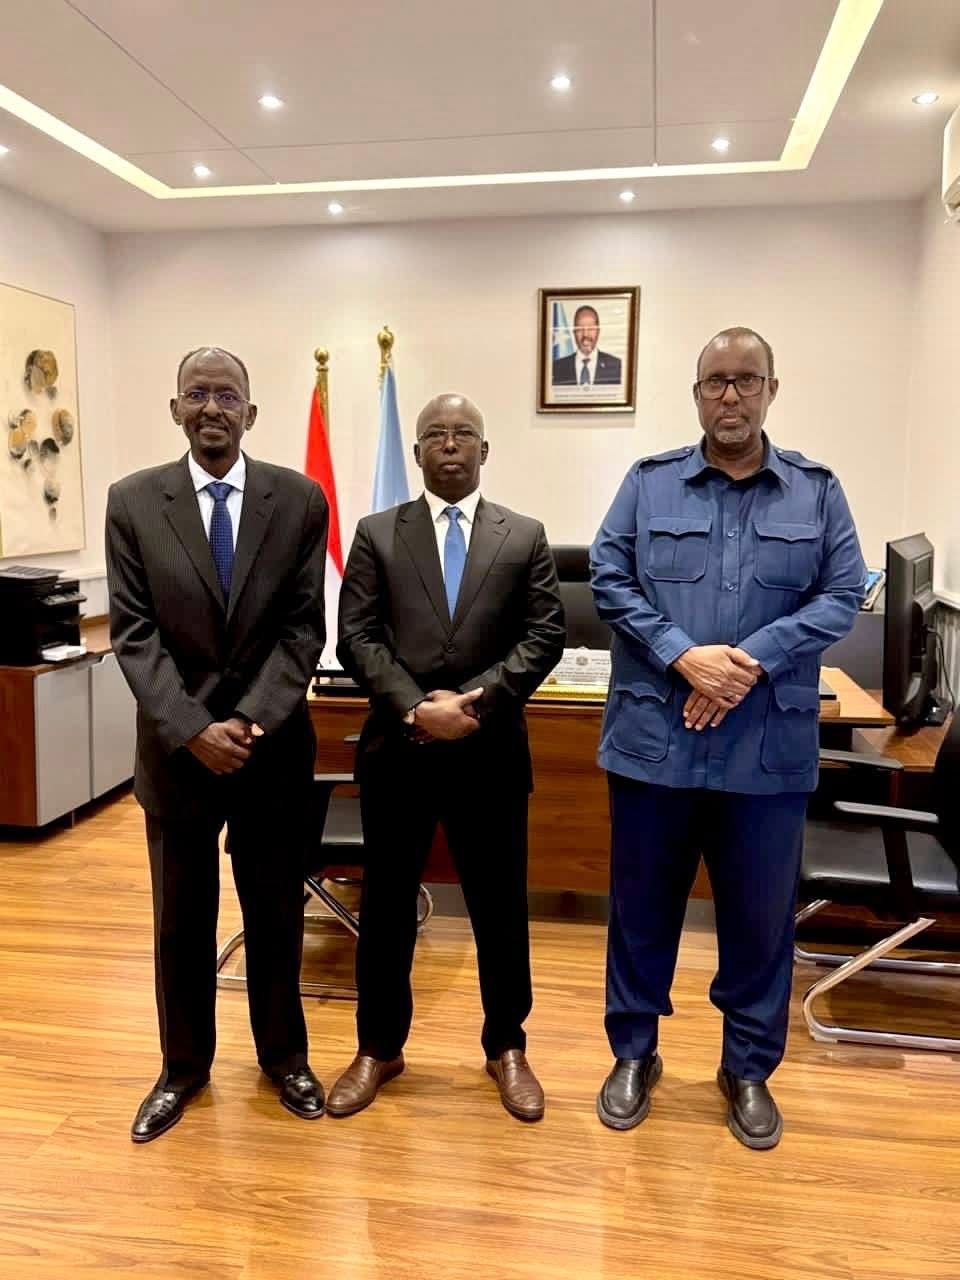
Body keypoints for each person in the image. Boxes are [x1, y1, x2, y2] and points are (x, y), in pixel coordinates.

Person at [590, 327, 865, 1149]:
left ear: (772, 390)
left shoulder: (817, 491)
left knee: (759, 922)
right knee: (640, 913)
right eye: (716, 381)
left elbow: (843, 593)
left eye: (747, 380)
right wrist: (684, 656)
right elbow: (607, 576)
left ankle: (747, 1068)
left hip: (764, 754)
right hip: (656, 745)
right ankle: (634, 1053)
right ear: (697, 393)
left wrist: (747, 662)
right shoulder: (649, 484)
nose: (731, 395)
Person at [106, 346, 328, 1142]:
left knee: (276, 913)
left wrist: (252, 720)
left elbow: (304, 628)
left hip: (272, 752)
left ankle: (285, 1058)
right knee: (180, 920)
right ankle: (182, 1067)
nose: (211, 407)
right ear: (175, 409)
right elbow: (133, 635)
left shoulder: (299, 500)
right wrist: (193, 728)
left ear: (250, 413)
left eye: (227, 395)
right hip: (177, 757)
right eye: (196, 393)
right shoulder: (133, 502)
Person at [328, 393, 565, 1121]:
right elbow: (356, 636)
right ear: (417, 453)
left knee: (501, 909)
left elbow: (545, 634)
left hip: (490, 754)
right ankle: (378, 1048)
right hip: (399, 753)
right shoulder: (377, 533)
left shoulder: (524, 535)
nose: (450, 444)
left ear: (485, 451)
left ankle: (507, 1047)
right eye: (436, 434)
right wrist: (415, 707)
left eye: (464, 433)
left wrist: (474, 706)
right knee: (387, 908)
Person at [552, 305, 622, 387]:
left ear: (598, 331)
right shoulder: (557, 368)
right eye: (580, 329)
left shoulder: (616, 366)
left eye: (590, 328)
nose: (585, 334)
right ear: (574, 332)